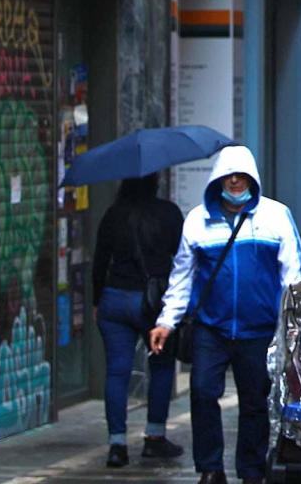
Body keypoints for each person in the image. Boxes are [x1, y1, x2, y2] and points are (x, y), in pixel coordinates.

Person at [150, 145, 301, 484]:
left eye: (241, 176)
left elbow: (293, 276)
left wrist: (294, 325)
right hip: (211, 329)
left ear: (252, 179)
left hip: (260, 330)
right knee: (203, 393)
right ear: (217, 179)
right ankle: (210, 468)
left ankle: (251, 470)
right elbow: (182, 276)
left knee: (255, 402)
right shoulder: (197, 221)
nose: (235, 181)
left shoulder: (276, 216)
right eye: (228, 176)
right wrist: (166, 321)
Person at [91, 173, 187, 466]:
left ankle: (117, 444)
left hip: (114, 298)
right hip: (153, 303)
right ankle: (154, 437)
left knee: (117, 371)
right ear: (154, 183)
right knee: (161, 366)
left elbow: (100, 261)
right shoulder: (168, 213)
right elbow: (183, 259)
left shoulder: (113, 214)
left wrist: (97, 300)